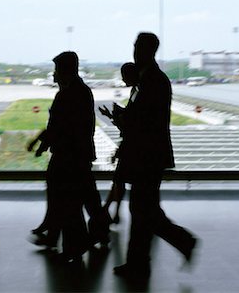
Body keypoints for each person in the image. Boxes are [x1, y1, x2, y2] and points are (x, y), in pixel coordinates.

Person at [113, 33, 197, 279]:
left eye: (137, 47)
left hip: (146, 156)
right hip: (147, 156)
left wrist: (123, 119)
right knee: (144, 210)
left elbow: (144, 121)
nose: (134, 52)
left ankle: (180, 242)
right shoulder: (150, 79)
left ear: (146, 50)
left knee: (142, 210)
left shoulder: (152, 81)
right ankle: (140, 262)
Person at [28, 51, 107, 262]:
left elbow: (59, 126)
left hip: (68, 154)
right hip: (77, 153)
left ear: (64, 70)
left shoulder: (69, 94)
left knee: (65, 198)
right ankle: (92, 233)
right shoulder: (80, 91)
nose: (53, 76)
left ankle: (72, 244)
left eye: (56, 71)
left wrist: (40, 143)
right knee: (84, 196)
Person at [99, 62, 140, 224]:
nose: (122, 80)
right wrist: (114, 115)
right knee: (119, 181)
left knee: (118, 180)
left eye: (124, 76)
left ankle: (108, 210)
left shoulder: (137, 92)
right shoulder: (136, 91)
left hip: (131, 146)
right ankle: (110, 211)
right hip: (131, 145)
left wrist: (115, 116)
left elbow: (131, 123)